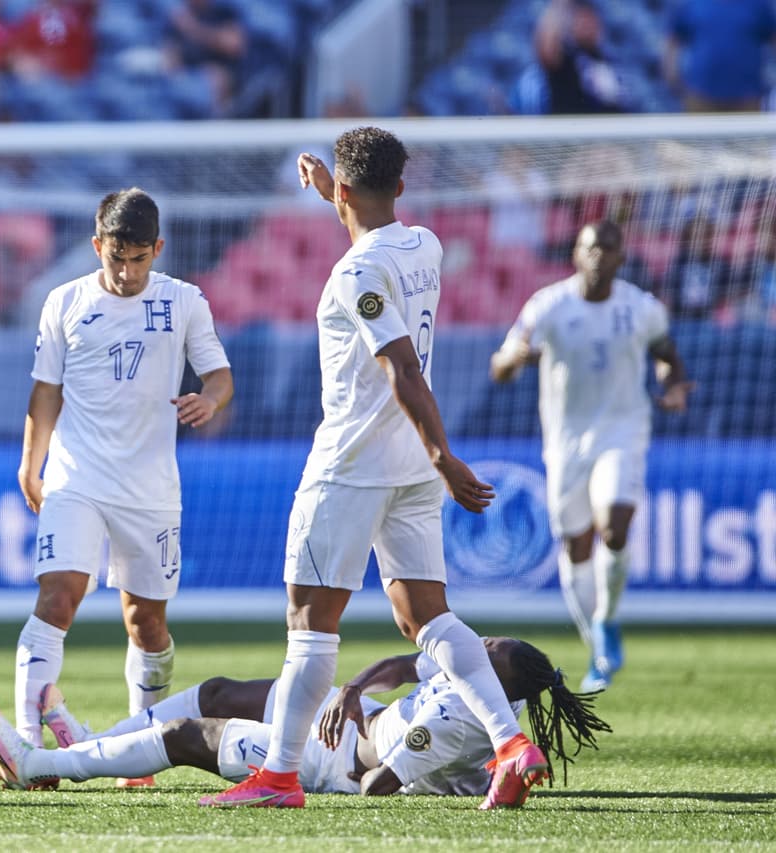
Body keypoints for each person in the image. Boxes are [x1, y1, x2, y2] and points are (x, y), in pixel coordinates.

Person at [202, 127, 547, 811]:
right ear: (402, 185)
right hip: (408, 466)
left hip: (354, 461)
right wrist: (340, 194)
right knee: (427, 616)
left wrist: (447, 455)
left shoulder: (355, 272)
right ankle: (510, 743)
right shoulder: (428, 245)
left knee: (310, 619)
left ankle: (278, 775)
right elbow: (375, 251)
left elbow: (401, 365)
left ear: (347, 190)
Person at [14, 188, 233, 787]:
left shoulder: (184, 301)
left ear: (157, 249)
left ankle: (140, 745)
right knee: (58, 596)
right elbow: (45, 390)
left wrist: (208, 399)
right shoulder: (64, 301)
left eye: (139, 258)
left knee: (147, 624)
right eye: (117, 256)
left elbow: (218, 373)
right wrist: (31, 462)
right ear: (97, 246)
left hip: (150, 488)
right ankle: (27, 750)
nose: (128, 270)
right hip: (76, 475)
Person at [0, 636, 610, 797]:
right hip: (352, 720)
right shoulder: (478, 674)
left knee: (183, 737)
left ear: (497, 682)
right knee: (220, 691)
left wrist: (331, 761)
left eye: (486, 653)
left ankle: (36, 763)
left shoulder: (457, 725)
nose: (474, 650)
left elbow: (377, 784)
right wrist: (355, 690)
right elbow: (406, 664)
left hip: (327, 761)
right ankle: (93, 743)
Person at [490, 220, 692, 692]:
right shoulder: (548, 306)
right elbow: (499, 368)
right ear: (576, 255)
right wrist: (513, 358)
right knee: (577, 546)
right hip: (565, 442)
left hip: (624, 431)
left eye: (608, 248)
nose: (598, 255)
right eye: (590, 247)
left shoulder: (640, 308)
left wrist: (674, 385)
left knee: (613, 528)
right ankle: (598, 642)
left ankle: (607, 618)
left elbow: (667, 354)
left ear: (622, 257)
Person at [664, 0, 776, 113]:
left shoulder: (758, 5)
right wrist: (672, 74)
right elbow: (673, 40)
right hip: (700, 95)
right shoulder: (692, 4)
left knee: (747, 131)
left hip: (748, 96)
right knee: (700, 130)